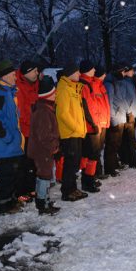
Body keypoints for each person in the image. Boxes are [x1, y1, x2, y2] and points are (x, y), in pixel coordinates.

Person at [0, 59, 25, 215]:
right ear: (4, 76)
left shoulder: (9, 92)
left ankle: (11, 201)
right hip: (5, 144)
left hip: (12, 144)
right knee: (6, 175)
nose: (15, 77)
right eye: (12, 74)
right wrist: (8, 138)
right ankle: (4, 205)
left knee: (13, 174)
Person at [27, 76, 60, 216]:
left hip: (44, 150)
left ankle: (44, 199)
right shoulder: (43, 112)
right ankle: (42, 203)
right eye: (54, 93)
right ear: (48, 95)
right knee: (44, 176)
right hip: (43, 151)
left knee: (46, 175)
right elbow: (44, 136)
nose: (56, 94)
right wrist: (55, 147)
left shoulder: (46, 108)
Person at [55, 63, 89, 202]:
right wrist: (75, 127)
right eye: (77, 72)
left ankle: (72, 188)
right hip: (69, 133)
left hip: (76, 132)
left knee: (74, 163)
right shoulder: (63, 88)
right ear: (70, 73)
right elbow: (62, 113)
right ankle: (67, 191)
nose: (79, 75)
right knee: (70, 163)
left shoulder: (72, 87)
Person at [105, 63, 136, 172]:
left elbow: (123, 99)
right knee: (113, 144)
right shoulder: (110, 84)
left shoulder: (119, 82)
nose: (124, 73)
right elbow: (110, 103)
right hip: (116, 118)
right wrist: (113, 119)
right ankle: (111, 167)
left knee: (119, 142)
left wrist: (129, 112)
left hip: (123, 115)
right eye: (123, 71)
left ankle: (120, 163)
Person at [15, 60, 39, 204]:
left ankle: (30, 188)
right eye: (34, 71)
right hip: (24, 132)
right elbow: (22, 112)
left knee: (32, 163)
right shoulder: (19, 87)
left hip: (33, 130)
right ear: (27, 72)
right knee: (23, 163)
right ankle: (21, 192)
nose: (37, 73)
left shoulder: (34, 84)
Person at [78, 60, 102, 193]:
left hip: (91, 124)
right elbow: (86, 107)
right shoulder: (84, 85)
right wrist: (93, 124)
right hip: (90, 126)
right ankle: (88, 181)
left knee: (89, 154)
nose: (94, 71)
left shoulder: (88, 83)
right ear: (87, 70)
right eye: (92, 69)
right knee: (92, 154)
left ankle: (89, 179)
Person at [93, 66, 111, 180]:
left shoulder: (101, 86)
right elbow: (94, 106)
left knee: (99, 148)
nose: (105, 76)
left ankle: (98, 171)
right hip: (98, 122)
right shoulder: (94, 86)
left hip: (103, 121)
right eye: (103, 74)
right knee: (96, 149)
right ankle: (96, 172)